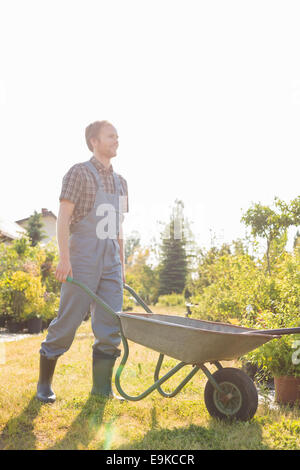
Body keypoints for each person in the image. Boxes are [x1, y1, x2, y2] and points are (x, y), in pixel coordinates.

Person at [36, 120, 129, 403]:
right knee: (68, 321)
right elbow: (63, 217)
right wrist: (64, 259)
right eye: (110, 136)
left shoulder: (121, 182)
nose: (116, 139)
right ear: (94, 141)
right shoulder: (79, 173)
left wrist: (122, 265)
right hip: (83, 256)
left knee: (111, 323)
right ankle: (44, 384)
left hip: (111, 258)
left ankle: (101, 389)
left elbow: (118, 226)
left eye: (117, 136)